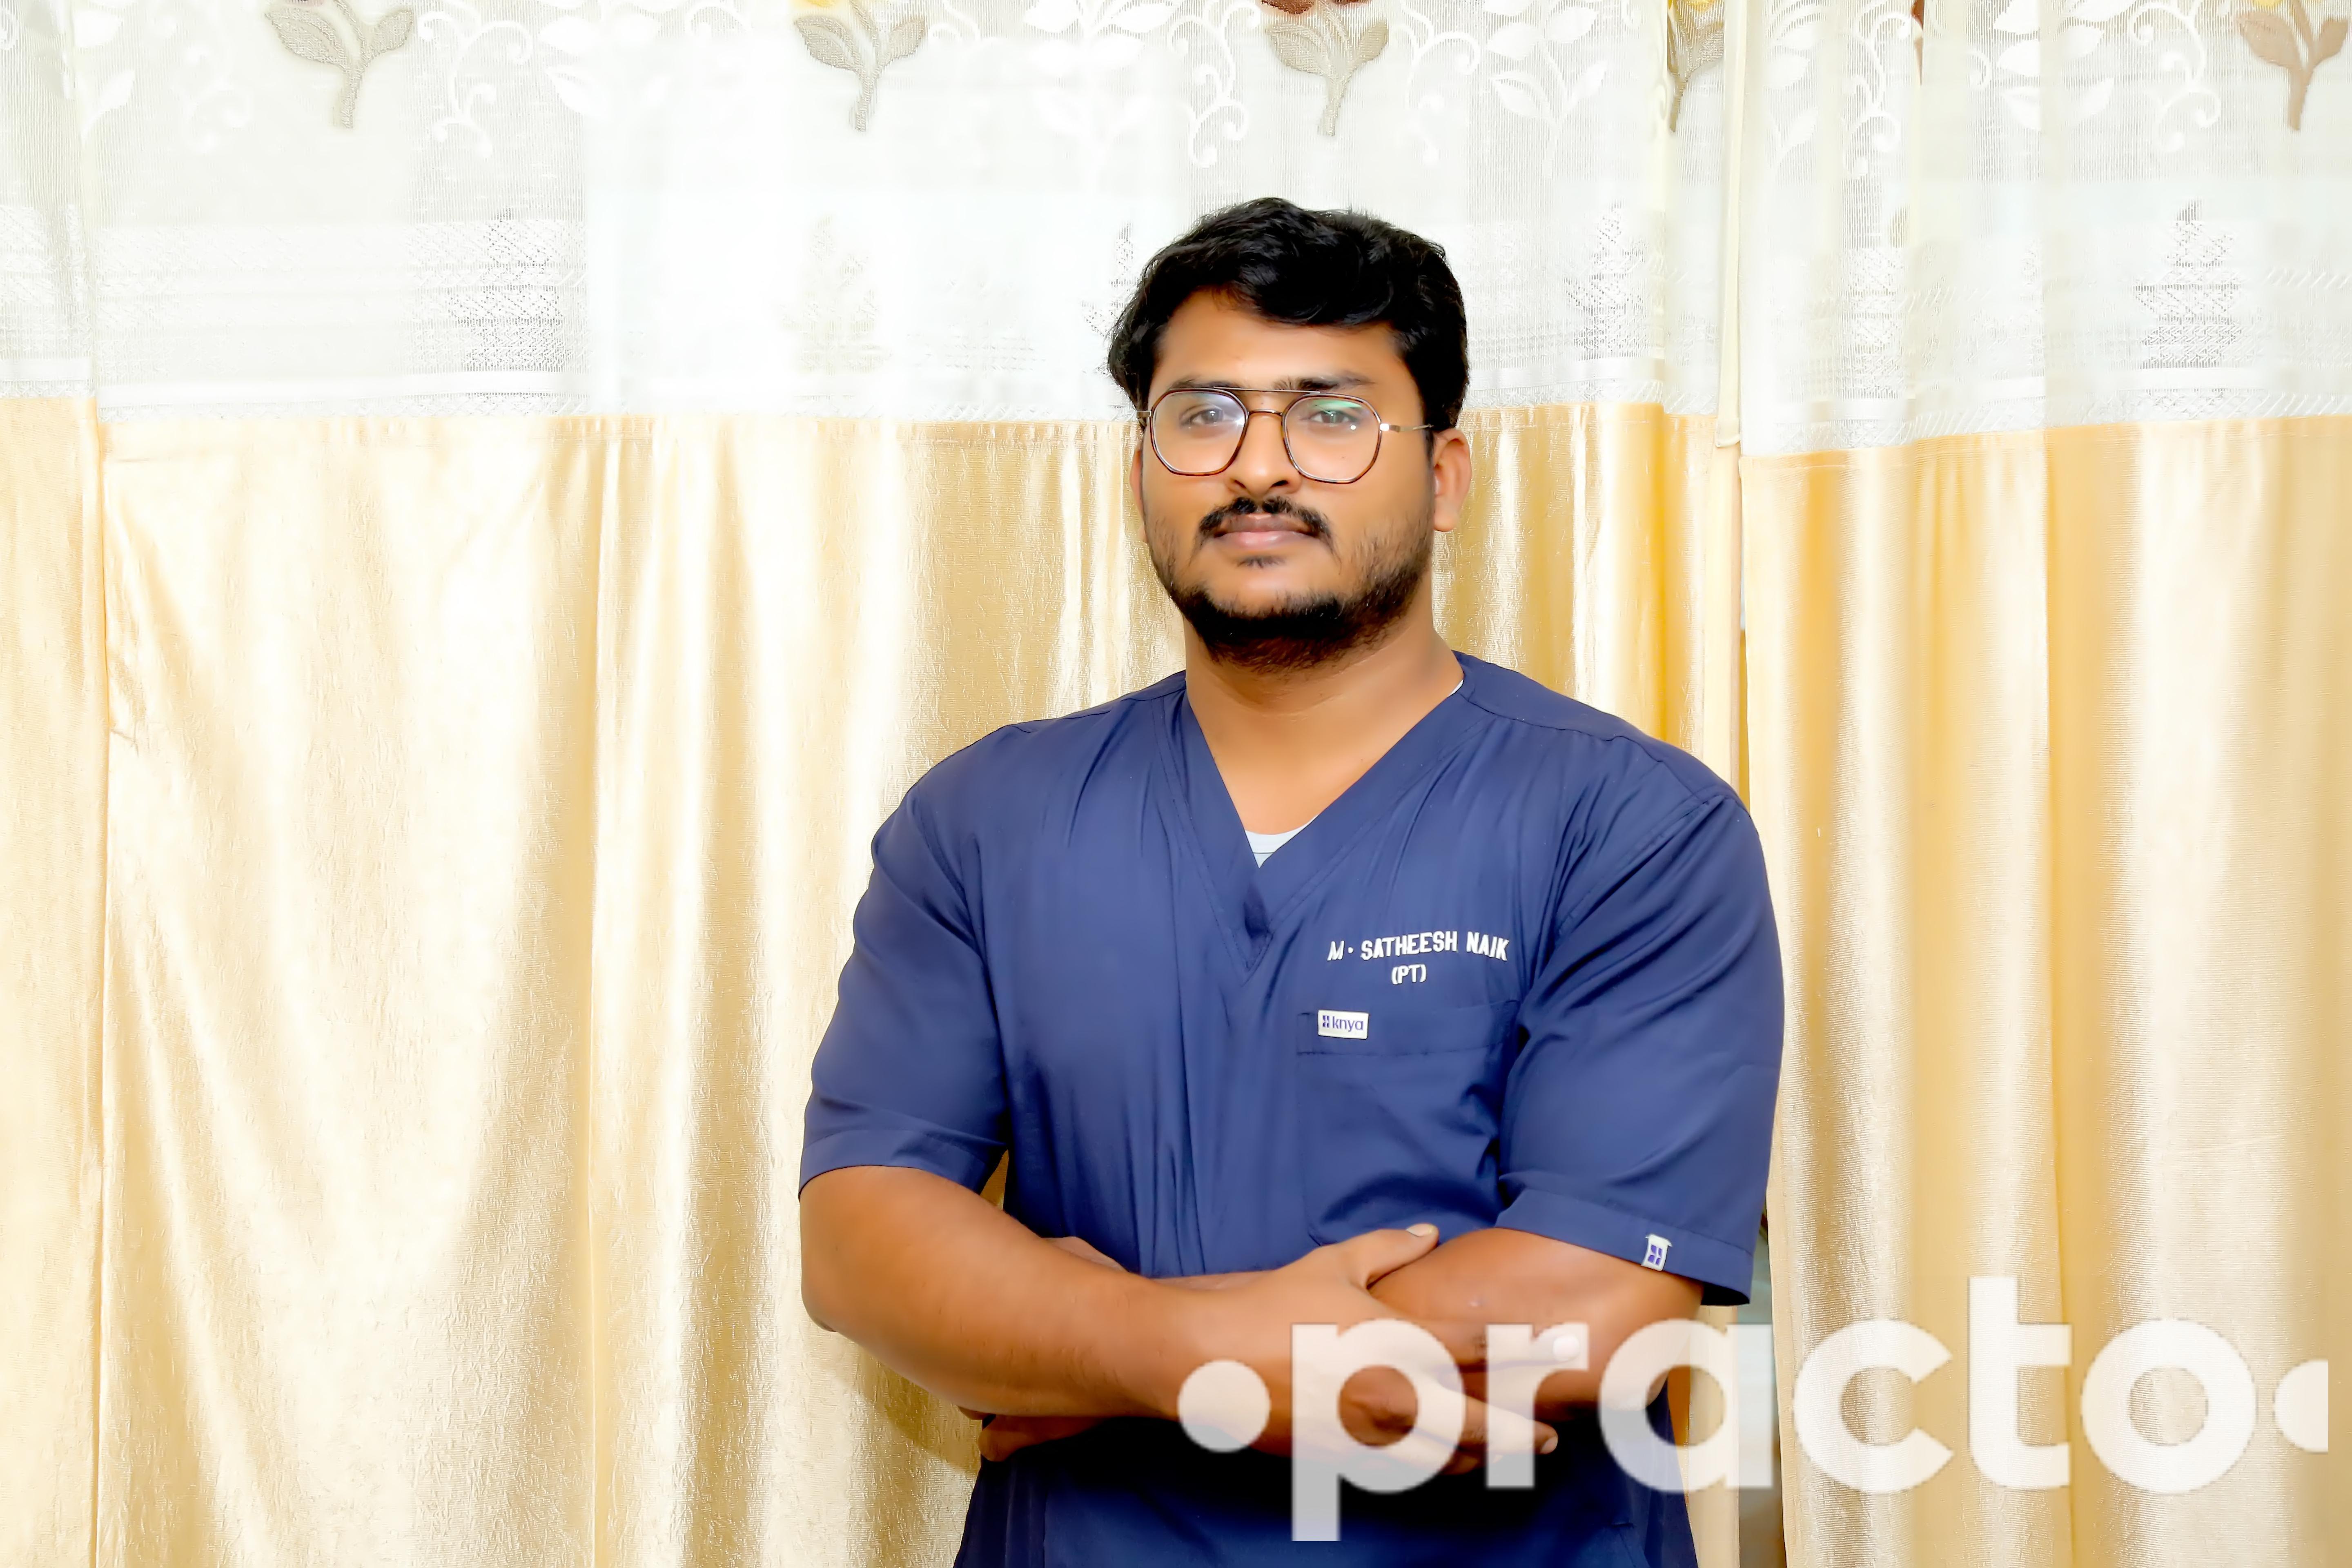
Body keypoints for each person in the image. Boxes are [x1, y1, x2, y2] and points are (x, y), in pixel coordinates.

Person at [798, 197, 1782, 1566]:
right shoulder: (985, 820)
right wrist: (1182, 1354)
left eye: (1330, 416)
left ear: (1445, 477)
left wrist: (1087, 1351)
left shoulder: (1630, 826)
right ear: (1142, 469)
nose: (1258, 465)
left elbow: (1598, 1302)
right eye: (1202, 416)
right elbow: (861, 1239)